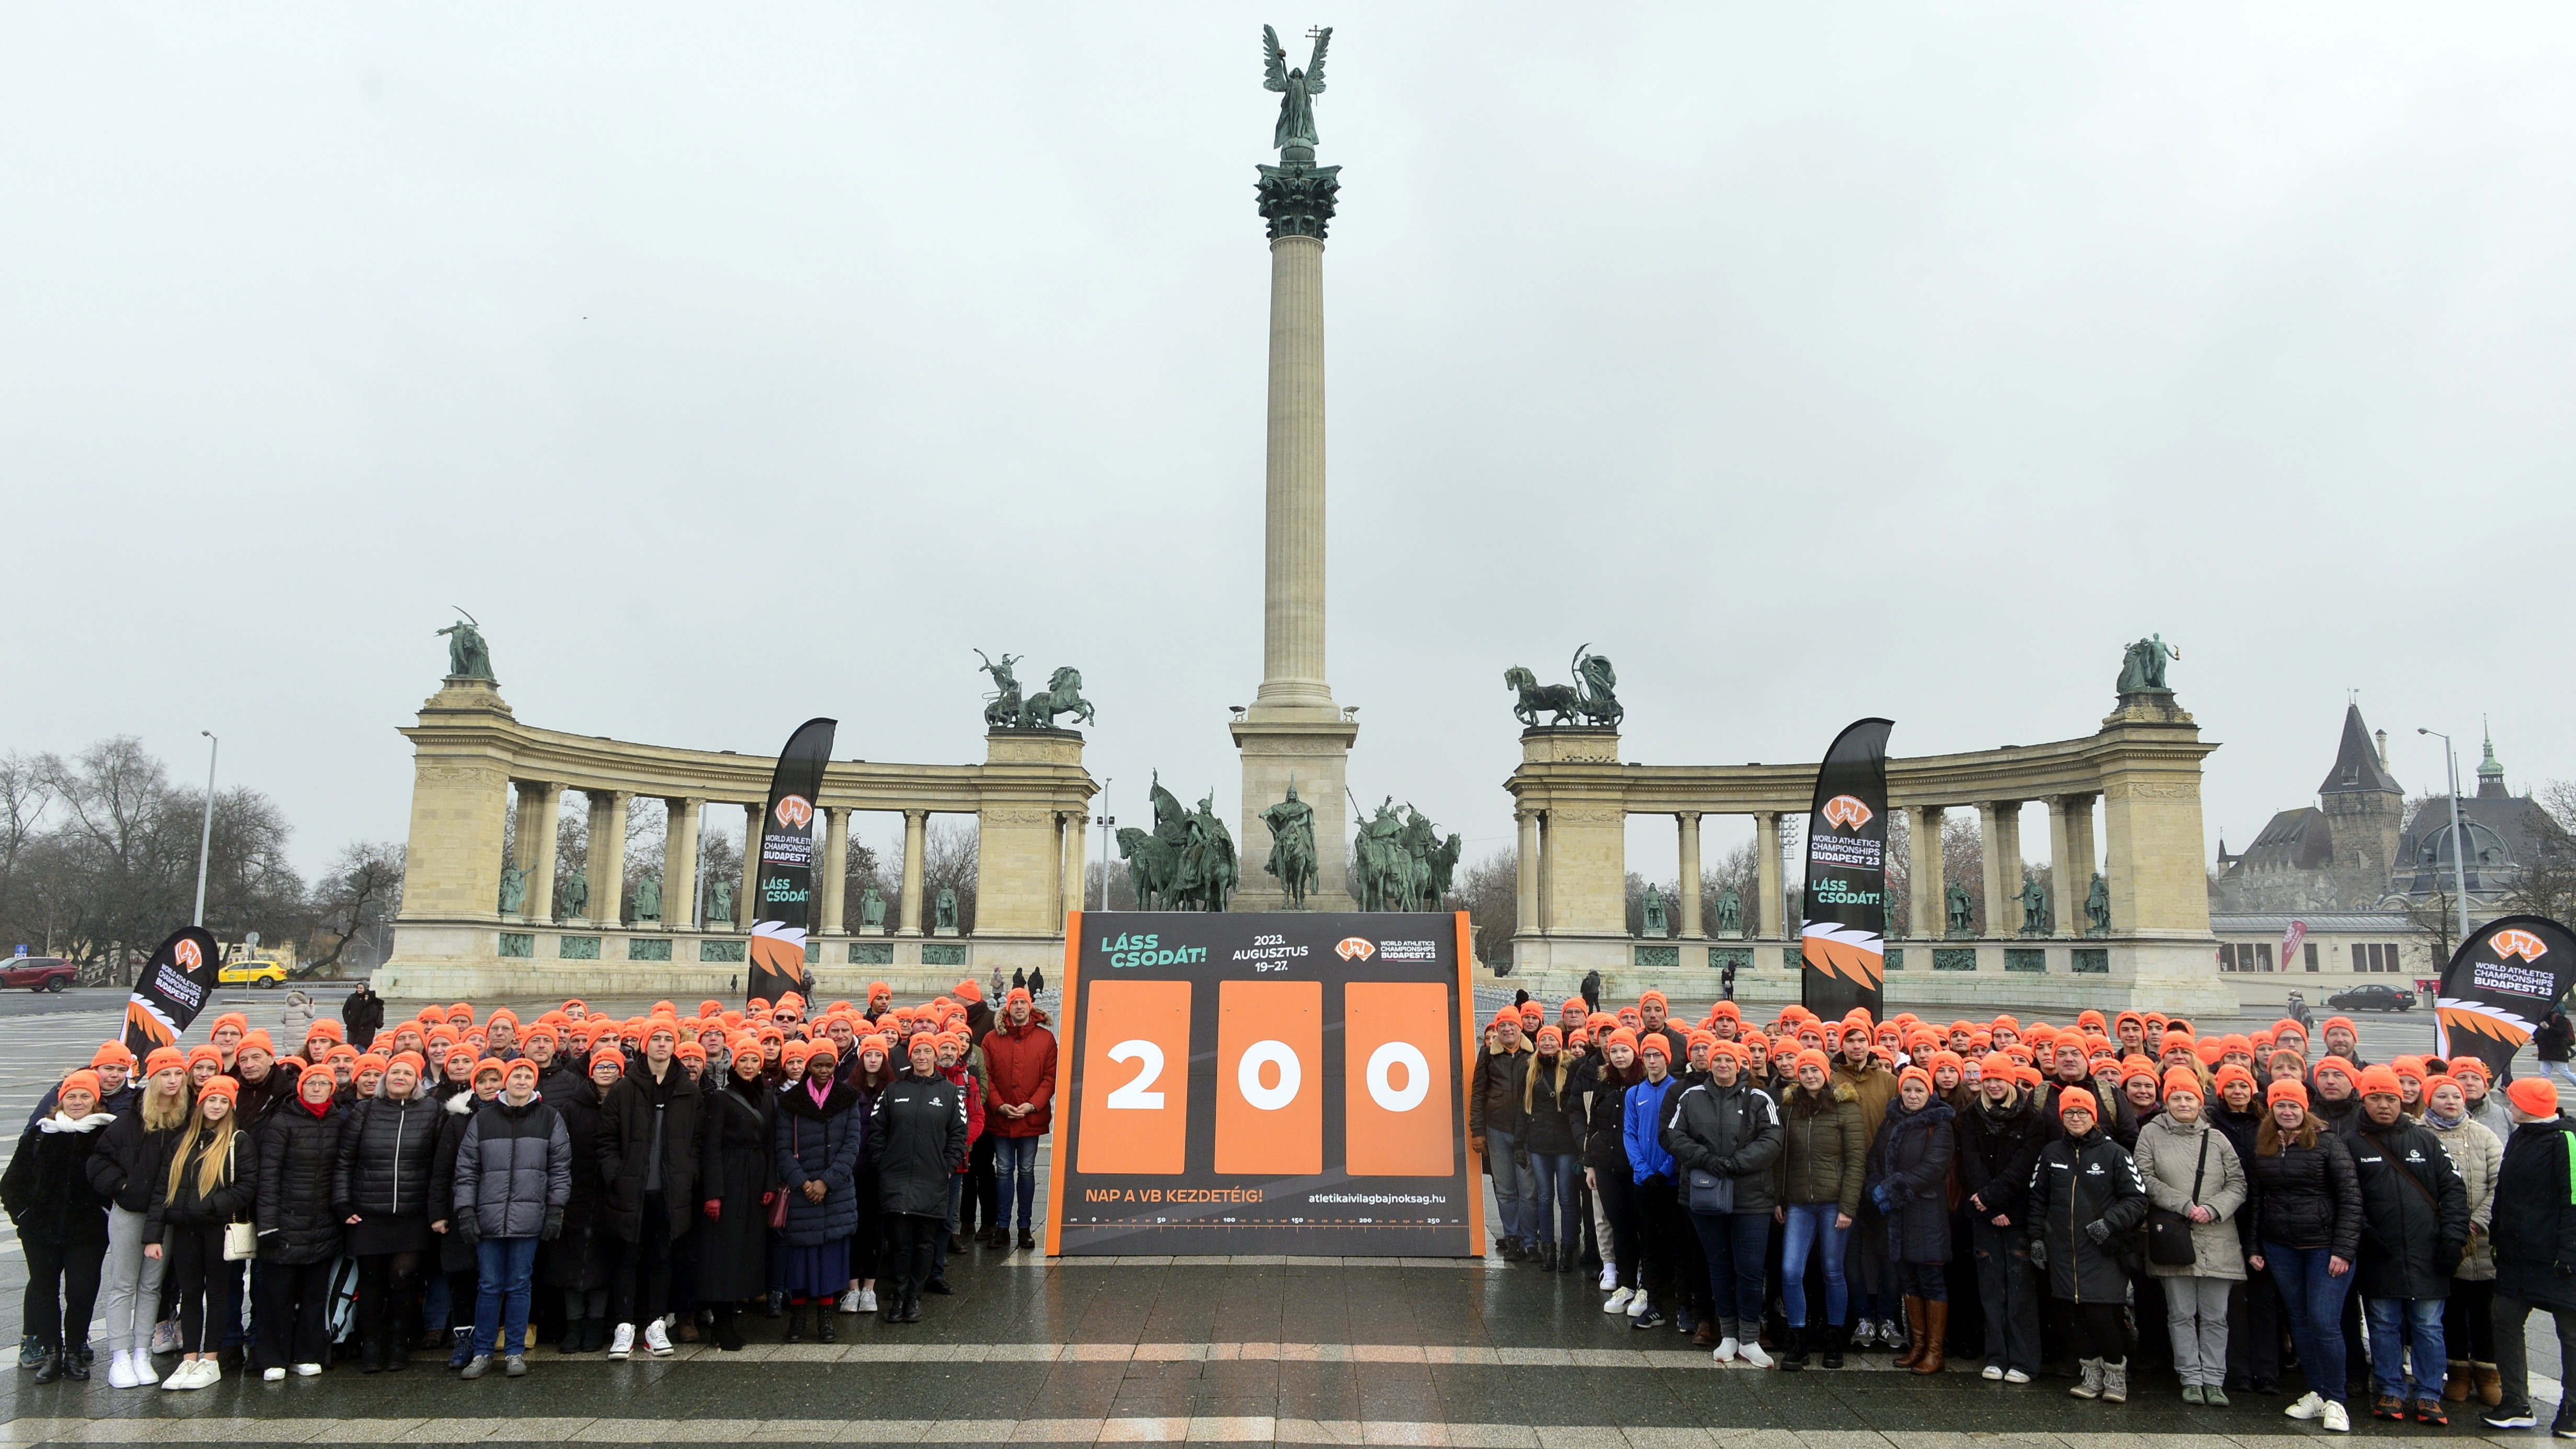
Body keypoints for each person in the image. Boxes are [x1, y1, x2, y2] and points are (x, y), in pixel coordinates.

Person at [2343, 1063, 2468, 1424]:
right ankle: (2390, 1389)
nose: (2384, 1105)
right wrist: (2366, 1235)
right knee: (2383, 1325)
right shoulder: (2351, 1144)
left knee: (2428, 1326)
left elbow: (2454, 1192)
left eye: (2391, 1098)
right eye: (2375, 1098)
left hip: (2428, 1253)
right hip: (2379, 1255)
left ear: (2402, 1101)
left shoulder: (2426, 1140)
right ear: (2364, 1101)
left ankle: (2429, 1394)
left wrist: (2453, 1240)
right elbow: (2346, 1197)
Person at [2248, 1078, 2362, 1434]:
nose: (2287, 1111)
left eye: (2293, 1106)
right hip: (2281, 1246)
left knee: (2325, 1322)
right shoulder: (2265, 1144)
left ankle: (2336, 1399)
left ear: (2305, 1108)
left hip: (2325, 1248)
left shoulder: (2328, 1143)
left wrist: (2344, 1249)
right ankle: (2317, 1391)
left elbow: (2351, 1198)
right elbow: (2257, 1200)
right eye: (2280, 1105)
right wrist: (2254, 1246)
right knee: (2299, 1320)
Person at [2026, 1087, 2148, 1406]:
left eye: (2082, 1113)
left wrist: (2109, 1222)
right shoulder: (2052, 1153)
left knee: (2102, 1316)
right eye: (2069, 1113)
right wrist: (2037, 1238)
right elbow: (2038, 1199)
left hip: (2102, 1251)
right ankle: (2090, 1374)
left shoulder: (2116, 1154)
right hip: (2064, 1250)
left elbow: (2137, 1199)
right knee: (2074, 1316)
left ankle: (2115, 1375)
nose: (2075, 1118)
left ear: (2094, 1117)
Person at [1661, 1039, 1780, 1366]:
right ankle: (1728, 1334)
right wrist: (1706, 1160)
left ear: (1740, 1064)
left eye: (1729, 1059)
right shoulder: (1691, 1097)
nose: (1723, 1065)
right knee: (1719, 1266)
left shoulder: (1760, 1098)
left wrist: (1735, 1164)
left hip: (1751, 1197)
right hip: (1706, 1194)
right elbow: (1674, 1135)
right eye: (1718, 1060)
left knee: (1751, 1270)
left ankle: (1751, 1338)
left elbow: (1773, 1139)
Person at [450, 1059, 571, 1379]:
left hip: (528, 1217)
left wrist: (555, 1209)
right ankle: (483, 1352)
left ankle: (515, 1350)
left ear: (535, 1082)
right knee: (489, 1285)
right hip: (489, 1216)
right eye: (516, 1075)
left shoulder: (550, 1118)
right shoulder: (484, 1120)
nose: (521, 1080)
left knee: (519, 1285)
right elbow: (467, 1170)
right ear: (506, 1081)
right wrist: (465, 1210)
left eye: (527, 1075)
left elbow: (559, 1169)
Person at [2132, 1068, 2247, 1405]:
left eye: (2190, 1097)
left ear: (2200, 1101)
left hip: (2217, 1235)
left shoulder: (2217, 1138)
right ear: (2166, 1101)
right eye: (2176, 1097)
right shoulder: (2150, 1134)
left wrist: (2212, 1208)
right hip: (2174, 1235)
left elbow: (2237, 1183)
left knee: (2215, 1315)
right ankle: (2190, 1377)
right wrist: (2183, 1205)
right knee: (2180, 1313)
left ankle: (2214, 1378)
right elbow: (2145, 1177)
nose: (2183, 1103)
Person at [599, 1015, 702, 1361]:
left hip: (669, 1192)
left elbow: (697, 1140)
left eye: (667, 1039)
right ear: (645, 1045)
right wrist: (616, 1176)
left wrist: (688, 1177)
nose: (662, 1044)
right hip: (632, 1191)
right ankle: (624, 1325)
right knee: (627, 1258)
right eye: (655, 1038)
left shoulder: (688, 1089)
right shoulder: (625, 1089)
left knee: (662, 1257)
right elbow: (606, 1140)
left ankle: (655, 1324)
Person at [4, 1068, 113, 1384]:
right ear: (60, 1099)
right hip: (40, 1232)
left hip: (87, 1232)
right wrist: (24, 1216)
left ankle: (76, 1351)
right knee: (44, 1292)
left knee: (81, 1292)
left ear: (96, 1101)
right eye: (71, 1096)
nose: (77, 1102)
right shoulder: (42, 1133)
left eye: (85, 1096)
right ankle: (52, 1353)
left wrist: (104, 1212)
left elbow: (119, 1178)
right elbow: (12, 1182)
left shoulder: (106, 1135)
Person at [2482, 1075, 2576, 1434]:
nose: (2508, 1106)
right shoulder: (2522, 1136)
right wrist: (2498, 1238)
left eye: (2513, 1101)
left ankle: (2573, 1410)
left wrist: (2570, 1252)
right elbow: (2505, 1192)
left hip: (2557, 1260)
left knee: (2570, 1334)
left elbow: (2573, 1197)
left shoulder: (2565, 1138)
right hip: (2518, 1257)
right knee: (2504, 1320)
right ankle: (2516, 1403)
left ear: (2529, 1107)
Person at [336, 1051, 439, 1373]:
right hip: (370, 1212)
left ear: (417, 1082)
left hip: (411, 1212)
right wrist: (342, 1203)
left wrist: (435, 1209)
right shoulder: (365, 1111)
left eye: (408, 1074)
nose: (400, 1078)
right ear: (384, 1078)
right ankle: (370, 1345)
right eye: (395, 1072)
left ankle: (398, 1343)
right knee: (370, 1281)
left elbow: (438, 1163)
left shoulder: (431, 1110)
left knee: (403, 1278)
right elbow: (345, 1160)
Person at [89, 1047, 186, 1388]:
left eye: (178, 1074)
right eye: (166, 1074)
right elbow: (98, 1162)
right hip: (131, 1212)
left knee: (151, 1286)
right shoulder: (130, 1119)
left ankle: (142, 1352)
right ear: (152, 1078)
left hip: (165, 1217)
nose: (173, 1081)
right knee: (123, 1285)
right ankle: (119, 1355)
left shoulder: (187, 1117)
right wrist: (123, 1186)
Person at [146, 1075, 250, 1392]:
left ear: (231, 1107)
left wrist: (212, 1205)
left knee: (217, 1294)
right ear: (200, 1104)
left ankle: (211, 1358)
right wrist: (153, 1234)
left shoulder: (238, 1141)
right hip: (185, 1230)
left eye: (223, 1101)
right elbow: (163, 1188)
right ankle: (189, 1358)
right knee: (190, 1295)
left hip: (218, 1229)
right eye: (211, 1100)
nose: (216, 1106)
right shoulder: (183, 1142)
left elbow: (247, 1186)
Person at [1956, 1051, 2044, 1383]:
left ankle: (2024, 1361)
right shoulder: (1971, 1115)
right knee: (1991, 1289)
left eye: (1999, 1079)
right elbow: (1971, 1162)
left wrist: (1997, 1201)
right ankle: (1996, 1356)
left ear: (2010, 1081)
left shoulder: (2031, 1119)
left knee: (2020, 1290)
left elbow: (2024, 1167)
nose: (1993, 1084)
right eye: (1988, 1078)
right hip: (1984, 1213)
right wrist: (1990, 1207)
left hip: (2016, 1214)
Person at [1774, 1048, 1864, 1370]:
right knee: (1790, 1270)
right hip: (1799, 1203)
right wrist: (1779, 1200)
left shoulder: (1846, 1107)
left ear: (1826, 1073)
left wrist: (1848, 1207)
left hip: (1834, 1204)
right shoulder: (1789, 1108)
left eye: (1815, 1070)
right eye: (1804, 1071)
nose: (1810, 1076)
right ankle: (1798, 1339)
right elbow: (1781, 1158)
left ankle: (1834, 1335)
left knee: (1832, 1270)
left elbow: (1856, 1161)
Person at [870, 1033, 969, 1324]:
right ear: (910, 1056)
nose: (922, 1057)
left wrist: (947, 1167)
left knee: (925, 1241)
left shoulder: (950, 1093)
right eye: (918, 1052)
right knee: (900, 1241)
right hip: (897, 1178)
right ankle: (898, 1297)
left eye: (928, 1051)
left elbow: (959, 1135)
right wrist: (882, 1163)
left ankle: (915, 1297)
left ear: (936, 1057)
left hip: (932, 1178)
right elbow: (877, 1131)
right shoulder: (893, 1090)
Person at [1865, 1065, 1954, 1376]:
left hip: (1926, 1211)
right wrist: (1875, 1183)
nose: (1913, 1095)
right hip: (1897, 1215)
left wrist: (1891, 1188)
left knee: (1931, 1279)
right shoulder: (1891, 1121)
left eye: (1919, 1090)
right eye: (1908, 1090)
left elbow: (1934, 1167)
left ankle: (1934, 1351)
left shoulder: (1939, 1124)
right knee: (1908, 1278)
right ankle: (1917, 1347)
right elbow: (1875, 1155)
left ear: (1929, 1092)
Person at [2421, 1073, 2503, 1408]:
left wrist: (2476, 1223)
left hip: (2481, 1242)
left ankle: (2488, 1375)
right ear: (2429, 1100)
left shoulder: (2484, 1135)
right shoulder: (2419, 1134)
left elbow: (2502, 1183)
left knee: (2487, 1313)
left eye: (2455, 1095)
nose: (2451, 1101)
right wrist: (2450, 1229)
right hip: (2441, 1240)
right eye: (2442, 1096)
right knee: (2451, 1313)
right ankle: (2457, 1373)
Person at [774, 1041, 863, 1344]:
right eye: (818, 1065)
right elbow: (782, 1148)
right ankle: (798, 1317)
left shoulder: (848, 1098)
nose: (823, 1071)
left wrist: (827, 1181)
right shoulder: (791, 1101)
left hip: (835, 1191)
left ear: (836, 1066)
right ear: (809, 1066)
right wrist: (804, 1182)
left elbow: (852, 1145)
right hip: (803, 1191)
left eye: (829, 1065)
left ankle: (826, 1317)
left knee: (830, 1257)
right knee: (800, 1257)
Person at [697, 1037, 774, 1350]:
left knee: (747, 1249)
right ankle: (722, 1323)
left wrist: (770, 1183)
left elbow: (770, 1143)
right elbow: (711, 1147)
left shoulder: (767, 1098)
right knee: (724, 1252)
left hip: (755, 1175)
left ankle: (733, 1319)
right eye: (744, 1060)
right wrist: (713, 1193)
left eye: (754, 1061)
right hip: (729, 1176)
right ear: (734, 1064)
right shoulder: (720, 1099)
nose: (749, 1066)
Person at [547, 1047, 623, 1352]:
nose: (605, 1071)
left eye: (612, 1066)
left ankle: (595, 1324)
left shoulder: (626, 1104)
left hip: (611, 1194)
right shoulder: (572, 1107)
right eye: (600, 1066)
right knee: (572, 1262)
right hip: (576, 1192)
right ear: (590, 1071)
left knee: (603, 1263)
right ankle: (574, 1324)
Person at [981, 988, 1055, 1252]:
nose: (1020, 1007)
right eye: (1016, 1003)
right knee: (1003, 1171)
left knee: (1026, 1171)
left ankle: (1025, 1228)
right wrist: (999, 1105)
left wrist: (1032, 1105)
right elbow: (986, 1077)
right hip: (1001, 1117)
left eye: (1024, 1002)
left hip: (1029, 1118)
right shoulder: (991, 1039)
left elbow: (1050, 1077)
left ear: (1031, 1007)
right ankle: (1002, 1227)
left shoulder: (1046, 1039)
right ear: (1008, 1008)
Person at [1619, 1034, 1685, 1332]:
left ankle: (1683, 1307)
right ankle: (1654, 1304)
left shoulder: (1679, 1091)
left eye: (1658, 1055)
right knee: (1649, 1244)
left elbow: (1679, 1136)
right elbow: (1629, 1135)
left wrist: (1665, 1170)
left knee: (1677, 1243)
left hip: (1670, 1182)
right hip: (1644, 1181)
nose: (1653, 1061)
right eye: (1648, 1056)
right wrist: (1644, 1171)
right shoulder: (1634, 1094)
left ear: (1667, 1058)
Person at [1579, 1029, 1645, 1309]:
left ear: (1634, 1053)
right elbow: (1593, 1124)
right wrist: (1590, 1164)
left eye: (1624, 1050)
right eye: (1614, 1051)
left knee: (1641, 1226)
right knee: (1620, 1226)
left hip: (1636, 1167)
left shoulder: (1643, 1084)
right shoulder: (1604, 1083)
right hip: (1606, 1165)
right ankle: (1626, 1283)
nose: (1619, 1056)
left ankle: (1643, 1281)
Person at [1520, 1025, 1586, 1274]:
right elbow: (1523, 1108)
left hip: (1566, 1144)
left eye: (1552, 1039)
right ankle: (1548, 1247)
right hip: (1539, 1143)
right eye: (1543, 1039)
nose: (1547, 1042)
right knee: (1545, 1198)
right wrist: (1520, 1142)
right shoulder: (1531, 1068)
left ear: (1560, 1043)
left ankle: (1568, 1248)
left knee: (1568, 1199)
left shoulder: (1571, 1067)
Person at [1469, 1010, 1534, 1260]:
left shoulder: (1534, 1053)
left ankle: (1530, 1241)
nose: (1508, 1029)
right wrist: (1478, 1131)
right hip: (1496, 1130)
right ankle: (1513, 1238)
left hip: (1526, 1131)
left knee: (1528, 1190)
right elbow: (1478, 1094)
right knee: (1506, 1190)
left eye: (1512, 1025)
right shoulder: (1487, 1054)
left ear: (1521, 1029)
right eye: (1503, 1025)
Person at [2540, 1009, 2576, 1092]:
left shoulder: (2558, 1018)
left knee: (2565, 1073)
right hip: (2546, 1050)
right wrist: (2536, 1040)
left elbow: (2563, 1032)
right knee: (2545, 1073)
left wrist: (2549, 1028)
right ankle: (2546, 1091)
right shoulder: (2543, 1018)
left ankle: (2546, 1091)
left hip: (2557, 1050)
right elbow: (2542, 1034)